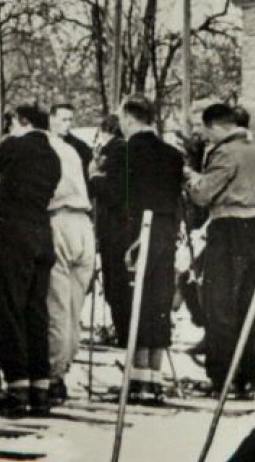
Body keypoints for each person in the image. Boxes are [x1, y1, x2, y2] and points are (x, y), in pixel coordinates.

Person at [95, 95, 186, 401]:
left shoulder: (125, 152)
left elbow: (115, 195)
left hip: (132, 234)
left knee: (131, 301)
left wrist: (95, 179)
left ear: (130, 119)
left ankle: (135, 377)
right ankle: (153, 378)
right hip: (164, 232)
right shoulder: (173, 155)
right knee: (158, 303)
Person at [0, 104, 61, 416]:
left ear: (21, 121)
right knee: (36, 309)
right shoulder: (52, 154)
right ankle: (40, 386)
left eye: (9, 122)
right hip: (43, 232)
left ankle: (16, 386)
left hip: (14, 231)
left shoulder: (15, 144)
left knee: (10, 307)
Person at [184, 103, 255, 397]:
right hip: (254, 228)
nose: (205, 137)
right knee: (247, 305)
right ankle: (246, 375)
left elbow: (203, 194)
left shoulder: (225, 153)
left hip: (228, 228)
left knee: (219, 304)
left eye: (206, 131)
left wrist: (191, 178)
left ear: (216, 126)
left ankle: (221, 376)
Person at [43, 110, 96, 405]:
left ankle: (54, 375)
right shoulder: (72, 150)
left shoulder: (47, 149)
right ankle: (64, 367)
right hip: (83, 224)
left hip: (59, 219)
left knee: (57, 305)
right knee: (74, 306)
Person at [88, 113, 130, 347]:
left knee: (115, 279)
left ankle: (123, 331)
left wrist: (94, 175)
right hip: (120, 224)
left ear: (106, 131)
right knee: (117, 279)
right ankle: (123, 329)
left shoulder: (114, 151)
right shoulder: (122, 149)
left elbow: (110, 189)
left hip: (113, 225)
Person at [50, 102, 93, 174]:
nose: (68, 124)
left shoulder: (81, 147)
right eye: (64, 120)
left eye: (70, 120)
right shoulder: (39, 141)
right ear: (52, 119)